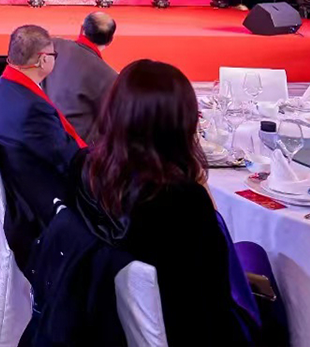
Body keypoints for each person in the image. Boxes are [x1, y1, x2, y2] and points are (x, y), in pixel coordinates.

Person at [75, 60, 249, 346]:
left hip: (106, 323)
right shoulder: (182, 201)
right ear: (181, 124)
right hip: (182, 326)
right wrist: (200, 186)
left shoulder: (86, 169)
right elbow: (214, 295)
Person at [0, 25, 86, 265]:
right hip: (39, 202)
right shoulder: (34, 109)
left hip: (20, 184)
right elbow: (69, 161)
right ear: (42, 60)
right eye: (53, 55)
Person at [43, 11, 118, 141]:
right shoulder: (110, 77)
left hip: (40, 129)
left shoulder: (53, 45)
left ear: (82, 29)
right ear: (110, 40)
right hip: (76, 145)